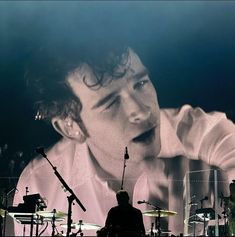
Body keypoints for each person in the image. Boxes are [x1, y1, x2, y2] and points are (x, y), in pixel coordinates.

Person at [12, 44, 235, 236]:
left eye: (140, 84)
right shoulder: (40, 184)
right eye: (110, 104)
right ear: (70, 128)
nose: (140, 111)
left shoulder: (213, 138)